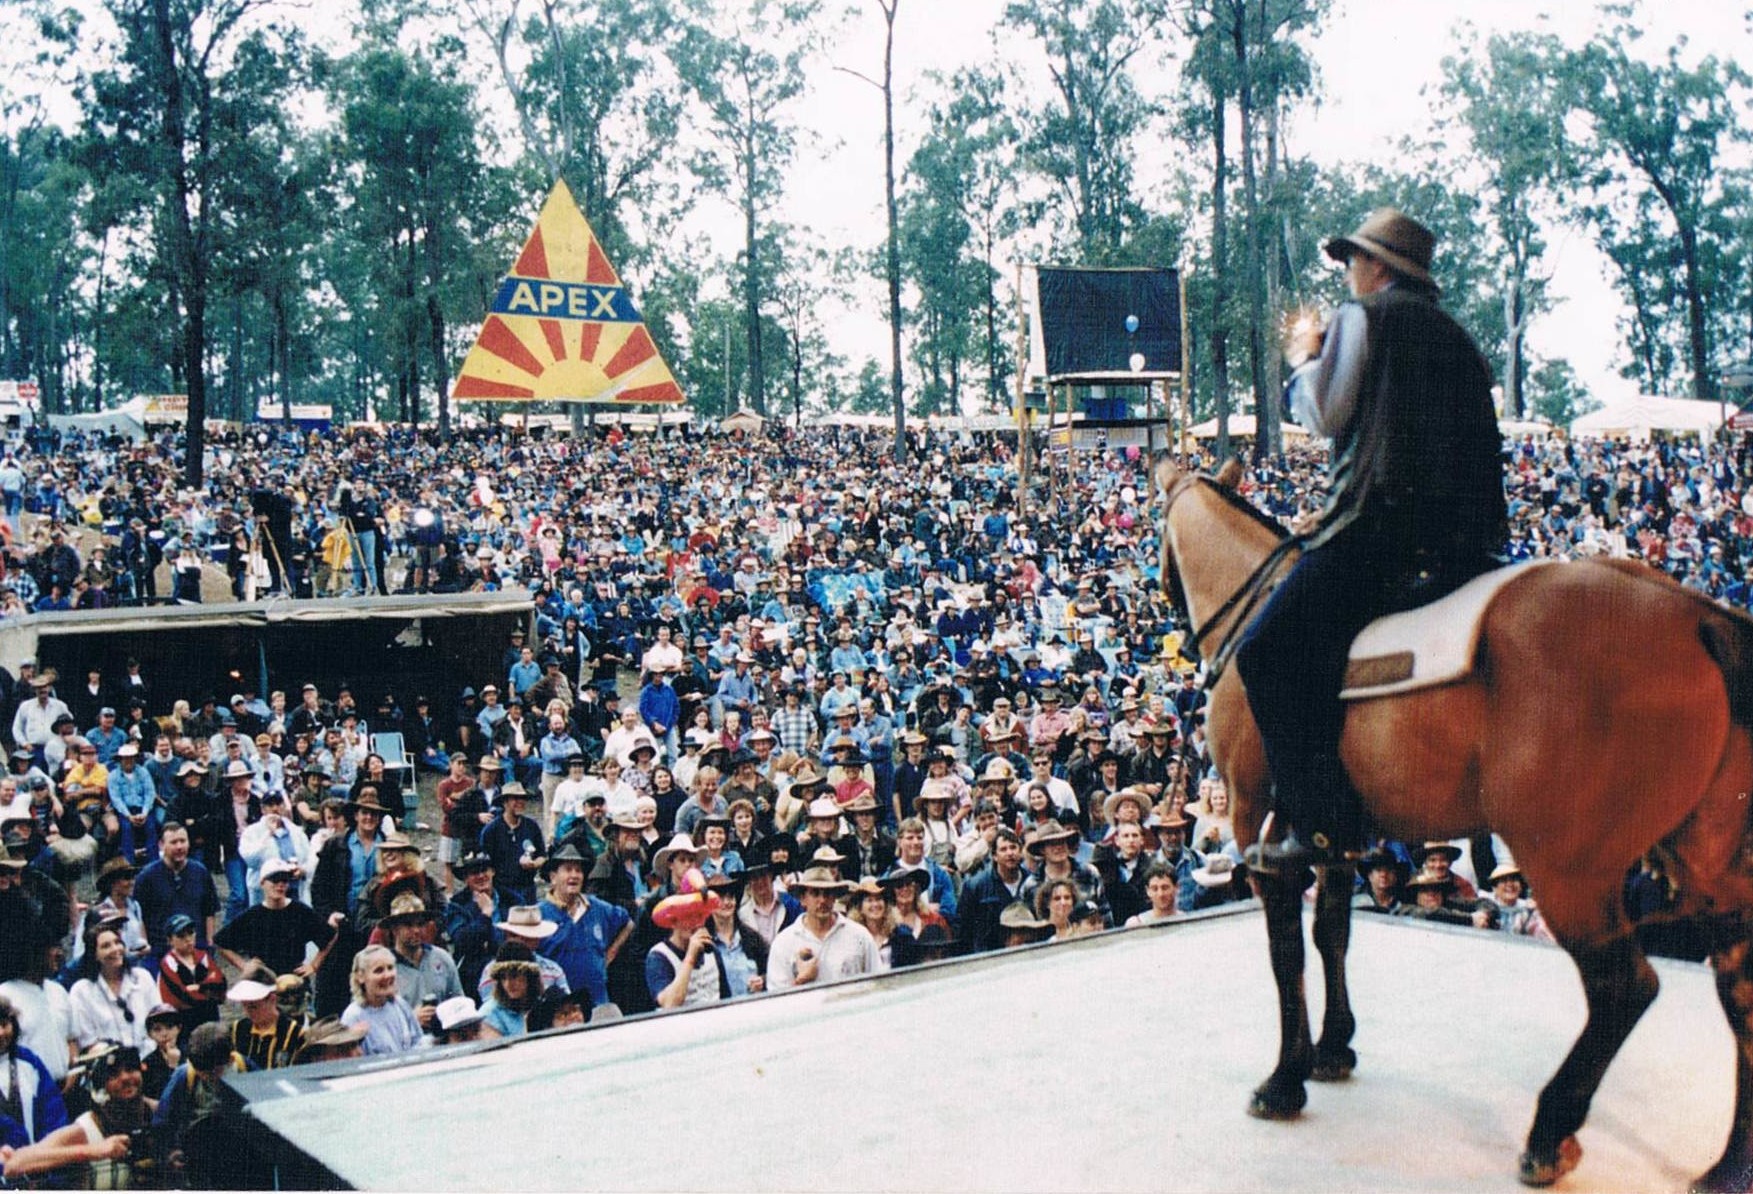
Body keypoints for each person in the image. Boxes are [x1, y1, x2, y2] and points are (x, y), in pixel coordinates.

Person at [1237, 208, 1507, 872]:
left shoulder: (1363, 318)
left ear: (1378, 265)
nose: (1349, 272)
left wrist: (1305, 357)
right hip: (1469, 542)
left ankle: (1322, 826)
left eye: (1353, 260)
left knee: (1265, 654)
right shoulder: (1458, 338)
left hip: (1381, 530)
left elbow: (1324, 415)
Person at [535, 844, 631, 1009]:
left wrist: (610, 953)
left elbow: (627, 922)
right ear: (553, 877)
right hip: (558, 1008)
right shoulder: (539, 914)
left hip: (597, 1001)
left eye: (578, 870)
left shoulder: (597, 907)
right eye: (568, 869)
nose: (574, 875)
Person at [764, 863, 878, 991]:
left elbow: (877, 985)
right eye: (815, 893)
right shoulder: (784, 943)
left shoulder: (859, 936)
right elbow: (777, 1001)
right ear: (803, 899)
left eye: (828, 893)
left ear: (834, 898)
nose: (822, 900)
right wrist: (801, 981)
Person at [646, 868, 730, 1010]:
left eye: (699, 916)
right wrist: (690, 957)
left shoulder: (712, 950)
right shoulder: (658, 956)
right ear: (674, 921)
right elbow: (669, 1004)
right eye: (688, 916)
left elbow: (726, 997)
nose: (695, 923)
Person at [68, 924, 158, 1052]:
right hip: (110, 1067)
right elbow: (88, 1042)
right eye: (106, 946)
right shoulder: (82, 991)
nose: (115, 949)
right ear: (94, 954)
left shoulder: (143, 978)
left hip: (151, 1061)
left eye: (117, 942)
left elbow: (160, 1022)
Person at [0, 993, 67, 1153]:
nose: (1, 1033)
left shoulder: (29, 1062)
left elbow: (55, 1116)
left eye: (4, 1024)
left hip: (37, 1168)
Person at [339, 945, 422, 1056]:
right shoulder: (353, 1017)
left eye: (390, 968)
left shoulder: (400, 1004)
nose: (387, 975)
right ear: (361, 977)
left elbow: (418, 1041)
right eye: (379, 971)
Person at [225, 965, 305, 1071]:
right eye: (244, 1005)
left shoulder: (295, 1033)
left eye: (254, 1006)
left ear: (272, 999)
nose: (248, 1011)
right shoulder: (237, 1029)